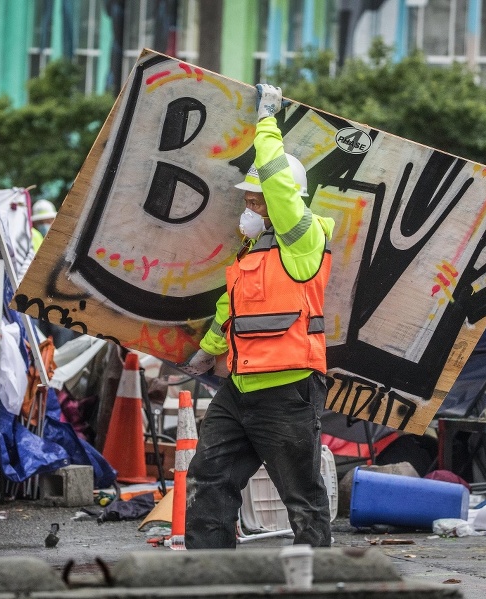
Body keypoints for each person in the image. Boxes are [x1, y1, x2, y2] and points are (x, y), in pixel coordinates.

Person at [180, 83, 336, 549]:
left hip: (288, 392)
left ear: (281, 201)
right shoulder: (253, 253)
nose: (248, 205)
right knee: (208, 479)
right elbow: (232, 309)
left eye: (255, 198)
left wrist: (267, 120)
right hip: (241, 390)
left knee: (301, 497)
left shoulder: (303, 241)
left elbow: (275, 177)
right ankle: (208, 577)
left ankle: (315, 578)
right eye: (247, 198)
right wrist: (206, 354)